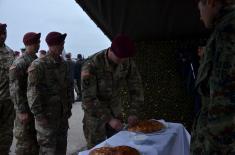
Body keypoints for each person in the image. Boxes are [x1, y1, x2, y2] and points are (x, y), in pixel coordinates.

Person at [81, 34, 144, 148]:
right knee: (98, 149)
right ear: (111, 50)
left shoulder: (126, 61)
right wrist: (109, 119)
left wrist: (133, 112)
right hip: (95, 118)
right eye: (119, 58)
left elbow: (136, 87)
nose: (122, 61)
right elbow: (88, 99)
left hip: (116, 113)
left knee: (119, 147)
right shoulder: (92, 65)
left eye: (125, 58)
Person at [191, 0, 235, 154]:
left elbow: (224, 96)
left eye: (200, 9)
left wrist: (211, 146)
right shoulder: (222, 30)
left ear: (210, 3)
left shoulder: (228, 30)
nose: (201, 17)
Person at [27, 31, 72, 155]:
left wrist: (68, 108)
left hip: (62, 116)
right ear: (50, 45)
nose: (62, 46)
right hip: (46, 118)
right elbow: (32, 92)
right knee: (48, 150)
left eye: (62, 43)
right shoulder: (38, 65)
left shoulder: (64, 64)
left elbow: (67, 87)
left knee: (61, 149)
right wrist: (39, 116)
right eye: (59, 44)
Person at [9, 32, 41, 155]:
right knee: (25, 144)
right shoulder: (20, 62)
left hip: (33, 107)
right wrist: (21, 111)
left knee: (34, 142)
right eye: (37, 42)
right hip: (25, 108)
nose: (39, 44)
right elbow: (14, 88)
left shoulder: (34, 59)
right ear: (30, 43)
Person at [0, 23, 15, 155]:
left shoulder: (10, 52)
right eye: (0, 33)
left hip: (8, 101)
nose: (2, 36)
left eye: (4, 33)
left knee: (7, 132)